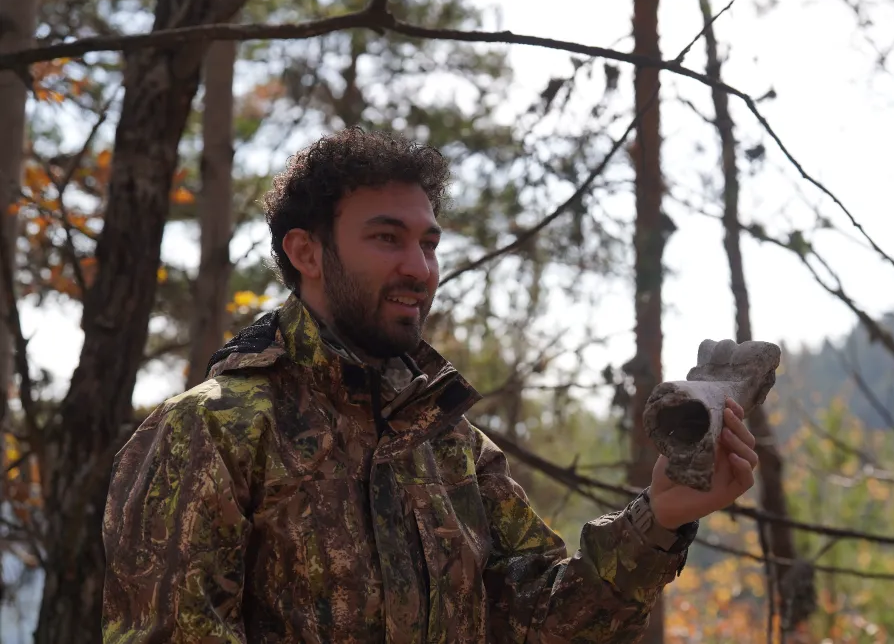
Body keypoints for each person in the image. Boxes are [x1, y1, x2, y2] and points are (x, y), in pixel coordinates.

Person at [101, 127, 759, 643]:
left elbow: (547, 623)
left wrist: (660, 516)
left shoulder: (449, 448)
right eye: (387, 238)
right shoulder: (210, 434)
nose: (418, 268)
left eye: (429, 243)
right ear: (306, 253)